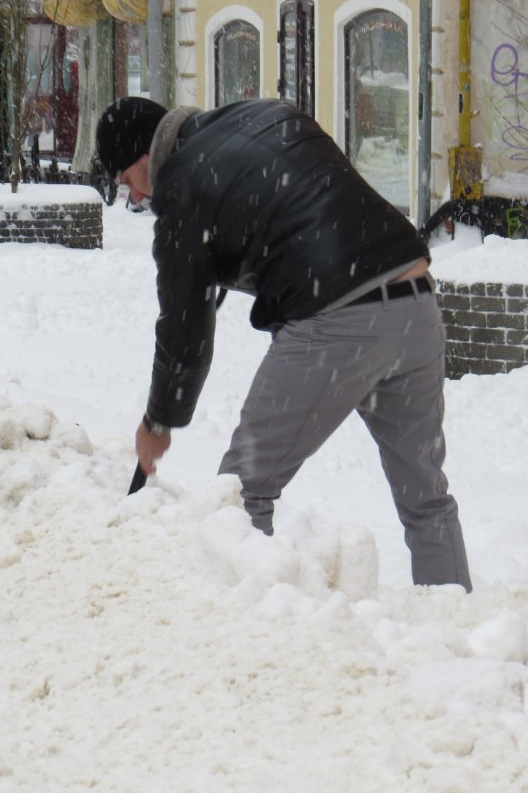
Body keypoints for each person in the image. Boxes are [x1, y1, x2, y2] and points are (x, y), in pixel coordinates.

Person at [95, 96, 471, 591]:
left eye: (127, 183)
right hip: (415, 303)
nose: (137, 198)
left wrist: (159, 420)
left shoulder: (182, 185)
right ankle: (457, 625)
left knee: (239, 492)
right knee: (426, 498)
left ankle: (252, 635)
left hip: (339, 318)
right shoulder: (260, 115)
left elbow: (185, 322)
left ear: (144, 158)